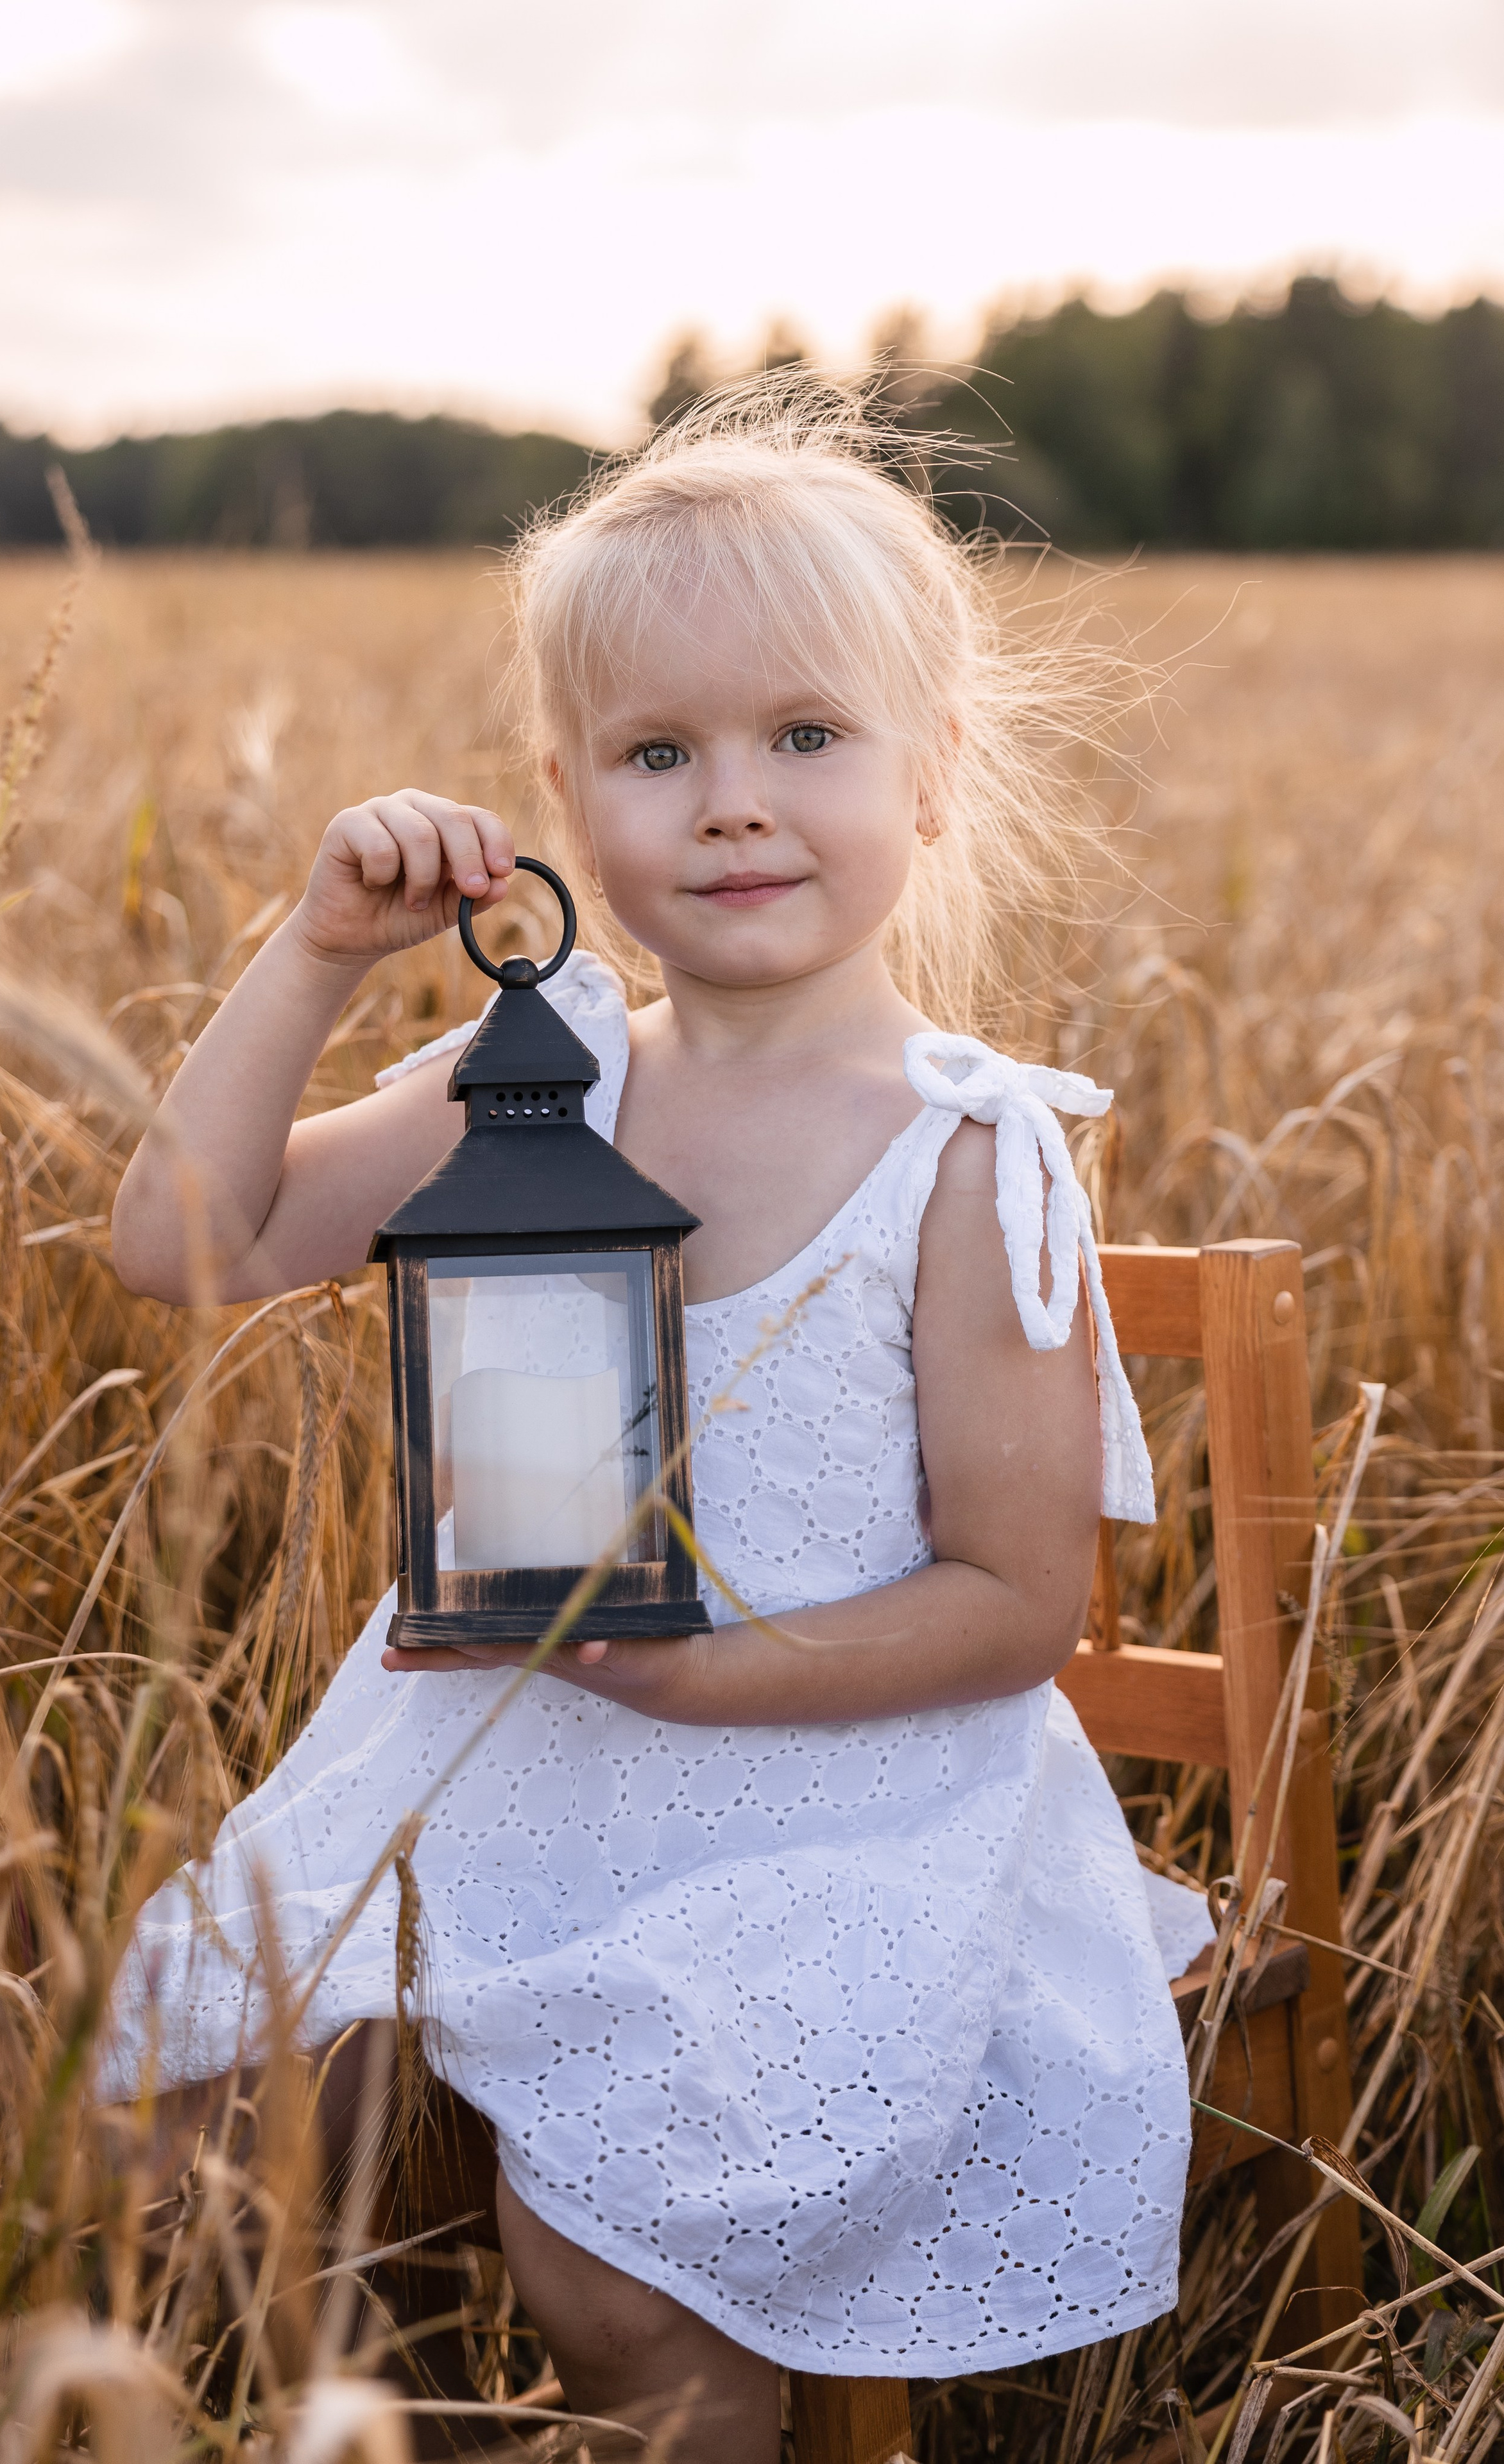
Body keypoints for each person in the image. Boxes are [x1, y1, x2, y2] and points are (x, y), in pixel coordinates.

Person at [103, 382, 1213, 2460]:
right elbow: (183, 1243)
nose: (732, 803)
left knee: (612, 2273)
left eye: (806, 737)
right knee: (212, 2131)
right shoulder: (546, 1074)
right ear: (564, 797)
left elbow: (1008, 1599)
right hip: (527, 1736)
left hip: (846, 1786)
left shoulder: (968, 1156)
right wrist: (323, 949)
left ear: (936, 773)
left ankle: (674, 2408)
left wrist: (698, 1675)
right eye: (657, 752)